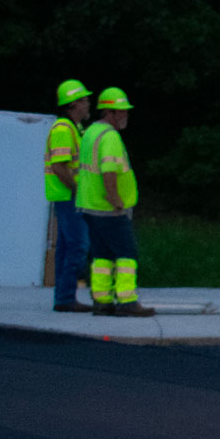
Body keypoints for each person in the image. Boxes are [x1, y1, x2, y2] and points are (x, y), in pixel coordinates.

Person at [76, 87, 153, 317]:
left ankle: (102, 301)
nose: (126, 115)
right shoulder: (110, 137)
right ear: (110, 112)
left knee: (102, 256)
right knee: (126, 254)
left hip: (90, 206)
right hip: (108, 209)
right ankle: (127, 302)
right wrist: (115, 199)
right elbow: (108, 171)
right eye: (122, 111)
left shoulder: (91, 132)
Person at [45, 79, 94, 312]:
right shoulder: (64, 130)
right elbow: (59, 166)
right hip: (69, 196)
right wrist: (78, 190)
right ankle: (65, 298)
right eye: (84, 101)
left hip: (67, 196)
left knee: (67, 248)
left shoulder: (73, 129)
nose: (88, 105)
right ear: (73, 104)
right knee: (78, 246)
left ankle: (64, 298)